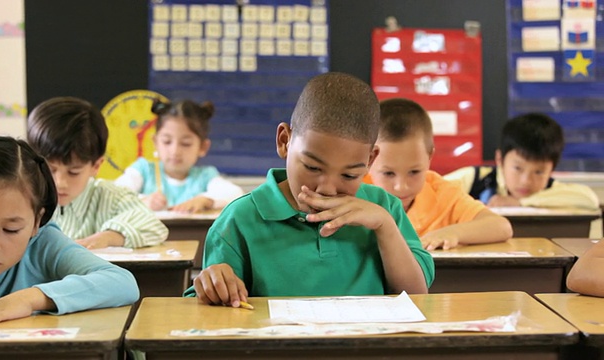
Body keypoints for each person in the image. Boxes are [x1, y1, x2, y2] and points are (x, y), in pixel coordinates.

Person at [184, 72, 435, 307]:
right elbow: (207, 309)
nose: (326, 189)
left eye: (349, 175)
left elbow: (417, 296)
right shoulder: (239, 220)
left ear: (370, 160)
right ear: (284, 141)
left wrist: (385, 227)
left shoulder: (384, 209)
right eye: (313, 167)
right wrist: (213, 285)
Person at [0, 136, 139, 325]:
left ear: (36, 222)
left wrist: (29, 299)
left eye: (11, 229)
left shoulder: (44, 243)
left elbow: (121, 283)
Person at [366, 98, 513, 250]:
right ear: (368, 160)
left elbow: (501, 227)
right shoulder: (353, 193)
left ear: (429, 157)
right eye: (388, 173)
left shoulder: (442, 193)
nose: (401, 186)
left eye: (414, 172)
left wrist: (451, 233)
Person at [27, 97, 168, 249]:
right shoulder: (23, 196)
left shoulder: (110, 197)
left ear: (96, 165)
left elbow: (154, 227)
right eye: (50, 169)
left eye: (74, 172)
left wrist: (107, 237)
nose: (60, 182)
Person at [444, 112, 599, 210]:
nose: (526, 181)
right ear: (500, 159)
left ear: (552, 169)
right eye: (518, 168)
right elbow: (429, 191)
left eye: (539, 172)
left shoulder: (553, 189)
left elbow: (589, 199)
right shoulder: (474, 178)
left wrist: (521, 203)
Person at [115, 99, 243, 212]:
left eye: (186, 144)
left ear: (203, 147)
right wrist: (143, 201)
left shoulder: (205, 176)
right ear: (155, 142)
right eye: (167, 142)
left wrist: (206, 199)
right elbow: (114, 194)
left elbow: (236, 194)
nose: (175, 151)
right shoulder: (143, 170)